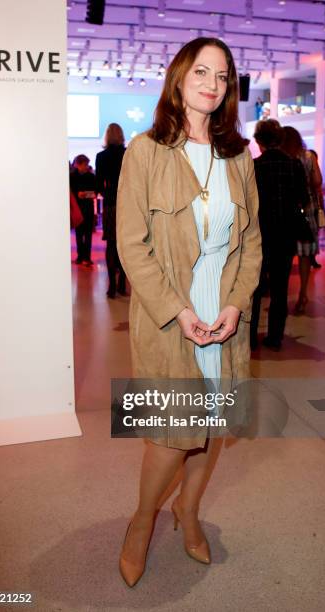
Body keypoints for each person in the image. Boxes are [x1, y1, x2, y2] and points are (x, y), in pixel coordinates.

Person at [116, 37, 262, 587]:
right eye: (202, 71)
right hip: (170, 317)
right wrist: (179, 311)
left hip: (224, 318)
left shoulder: (237, 157)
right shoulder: (145, 151)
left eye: (223, 76)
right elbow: (132, 246)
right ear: (179, 77)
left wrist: (233, 304)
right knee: (171, 435)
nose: (212, 83)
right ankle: (142, 520)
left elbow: (250, 243)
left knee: (213, 428)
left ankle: (189, 511)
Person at [250, 120, 309, 350]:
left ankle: (251, 337)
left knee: (254, 288)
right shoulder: (294, 165)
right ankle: (275, 338)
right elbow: (303, 198)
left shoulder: (254, 166)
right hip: (285, 235)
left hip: (259, 235)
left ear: (258, 141)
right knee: (280, 288)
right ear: (280, 139)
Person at [280, 126, 322, 314]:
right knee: (305, 255)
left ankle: (281, 295)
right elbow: (318, 182)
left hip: (287, 211)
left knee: (286, 254)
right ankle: (303, 292)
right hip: (307, 210)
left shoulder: (283, 158)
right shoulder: (308, 156)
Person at [95, 123, 127, 298]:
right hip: (128, 205)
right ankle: (123, 282)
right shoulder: (127, 153)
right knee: (125, 244)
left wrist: (107, 191)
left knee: (111, 244)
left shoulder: (101, 156)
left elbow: (98, 185)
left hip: (110, 204)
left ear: (107, 135)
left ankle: (112, 286)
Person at [70, 154, 97, 266]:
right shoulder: (72, 177)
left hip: (88, 209)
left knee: (88, 234)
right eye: (84, 164)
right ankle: (80, 256)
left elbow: (95, 193)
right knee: (79, 234)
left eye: (87, 164)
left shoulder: (91, 176)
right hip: (77, 209)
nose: (86, 166)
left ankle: (87, 257)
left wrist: (85, 194)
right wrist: (77, 194)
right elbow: (70, 193)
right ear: (78, 164)